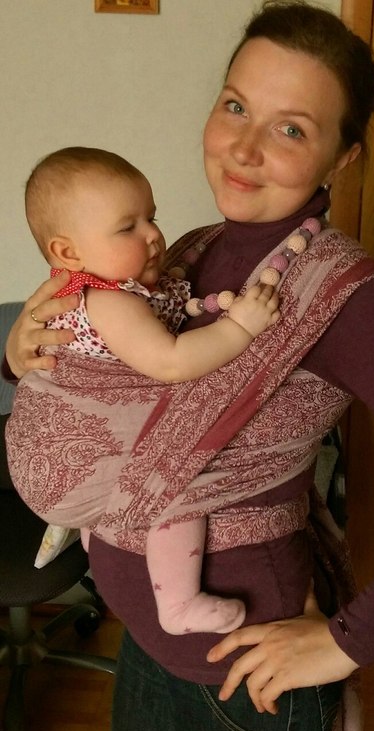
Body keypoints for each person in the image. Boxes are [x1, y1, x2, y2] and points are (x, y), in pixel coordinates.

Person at [4, 2, 374, 731]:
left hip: (241, 690)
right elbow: (114, 384)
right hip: (146, 642)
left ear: (342, 157)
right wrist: (21, 352)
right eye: (236, 106)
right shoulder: (187, 251)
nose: (244, 148)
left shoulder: (351, 300)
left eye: (291, 129)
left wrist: (345, 644)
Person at [6, 146, 280, 636]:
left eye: (151, 217)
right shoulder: (111, 301)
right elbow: (171, 362)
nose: (153, 235)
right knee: (175, 485)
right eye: (127, 227)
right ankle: (179, 603)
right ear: (68, 253)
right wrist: (241, 326)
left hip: (53, 460)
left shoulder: (105, 291)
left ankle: (98, 534)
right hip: (65, 457)